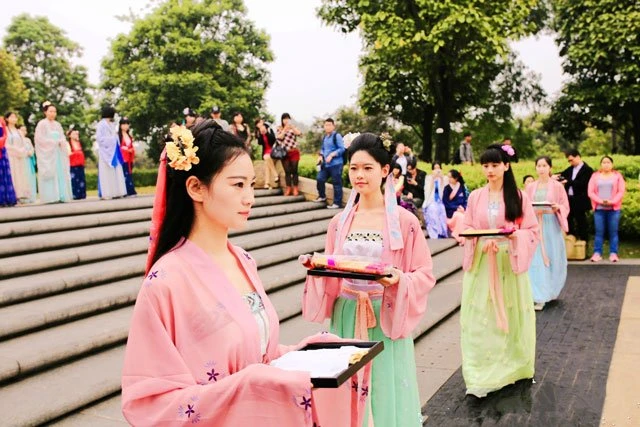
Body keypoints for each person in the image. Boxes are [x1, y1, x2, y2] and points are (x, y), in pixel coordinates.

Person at [123, 120, 367, 426]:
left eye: (252, 184)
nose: (249, 197)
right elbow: (150, 402)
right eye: (238, 185)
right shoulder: (167, 280)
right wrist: (247, 383)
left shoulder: (243, 259)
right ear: (196, 187)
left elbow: (255, 354)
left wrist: (306, 353)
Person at [302, 132, 435, 426]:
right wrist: (318, 267)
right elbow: (334, 266)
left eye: (367, 168)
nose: (359, 175)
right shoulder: (339, 222)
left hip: (384, 314)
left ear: (385, 171)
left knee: (384, 387)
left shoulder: (405, 221)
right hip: (348, 313)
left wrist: (398, 280)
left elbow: (424, 274)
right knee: (348, 390)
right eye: (353, 168)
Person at [460, 143, 539, 398]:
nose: (490, 170)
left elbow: (531, 230)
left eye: (495, 165)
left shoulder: (519, 197)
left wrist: (515, 237)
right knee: (480, 316)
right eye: (486, 165)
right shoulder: (475, 197)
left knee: (510, 312)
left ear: (506, 166)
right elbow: (469, 226)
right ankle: (480, 368)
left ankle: (513, 364)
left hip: (508, 259)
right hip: (483, 261)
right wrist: (478, 240)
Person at [525, 156, 569, 310]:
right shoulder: (531, 187)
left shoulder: (557, 186)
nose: (541, 169)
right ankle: (539, 295)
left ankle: (551, 290)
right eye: (538, 165)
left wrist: (558, 207)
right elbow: (525, 206)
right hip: (536, 225)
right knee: (536, 260)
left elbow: (565, 205)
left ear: (550, 167)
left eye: (544, 165)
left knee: (553, 256)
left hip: (551, 225)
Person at [587, 156, 626, 262]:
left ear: (612, 164)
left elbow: (621, 191)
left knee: (613, 232)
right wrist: (600, 201)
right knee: (599, 231)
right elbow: (590, 192)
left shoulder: (617, 176)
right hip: (599, 209)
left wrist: (612, 201)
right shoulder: (595, 176)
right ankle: (597, 253)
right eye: (604, 162)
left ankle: (613, 253)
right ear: (601, 164)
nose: (606, 164)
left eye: (608, 162)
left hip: (613, 209)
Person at [34, 101, 72, 203]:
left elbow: (62, 137)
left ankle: (61, 195)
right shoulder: (41, 124)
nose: (53, 113)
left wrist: (61, 142)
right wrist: (53, 142)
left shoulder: (57, 124)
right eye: (50, 111)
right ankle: (50, 197)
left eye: (54, 111)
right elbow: (39, 139)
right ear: (45, 112)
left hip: (58, 153)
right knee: (50, 173)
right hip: (49, 154)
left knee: (60, 173)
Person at [558, 148, 593, 244]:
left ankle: (584, 243)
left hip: (580, 200)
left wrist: (569, 182)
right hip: (570, 199)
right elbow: (562, 174)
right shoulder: (570, 169)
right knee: (569, 221)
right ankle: (571, 242)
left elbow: (583, 183)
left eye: (571, 160)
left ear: (578, 157)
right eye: (569, 161)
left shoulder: (587, 170)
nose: (570, 162)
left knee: (581, 222)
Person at [96, 106, 127, 199]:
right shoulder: (101, 124)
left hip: (114, 151)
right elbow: (100, 139)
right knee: (106, 172)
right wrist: (113, 139)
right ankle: (107, 193)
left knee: (116, 171)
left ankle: (117, 192)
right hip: (106, 152)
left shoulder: (112, 124)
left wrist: (114, 139)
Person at [5, 112, 36, 204]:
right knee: (13, 175)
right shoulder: (6, 130)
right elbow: (6, 144)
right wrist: (15, 150)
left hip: (20, 157)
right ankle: (12, 196)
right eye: (11, 117)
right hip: (10, 156)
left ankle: (20, 196)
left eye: (15, 117)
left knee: (21, 176)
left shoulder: (18, 132)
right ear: (7, 119)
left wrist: (21, 151)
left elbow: (24, 144)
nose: (14, 119)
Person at [315, 118, 345, 209]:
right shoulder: (325, 137)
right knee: (320, 178)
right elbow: (323, 149)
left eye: (329, 125)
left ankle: (337, 203)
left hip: (336, 164)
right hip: (326, 164)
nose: (327, 127)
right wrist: (321, 155)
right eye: (326, 125)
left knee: (336, 183)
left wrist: (332, 155)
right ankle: (322, 196)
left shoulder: (337, 136)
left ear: (333, 126)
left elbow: (342, 148)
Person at [277, 113, 302, 196]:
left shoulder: (293, 127)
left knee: (294, 170)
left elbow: (299, 134)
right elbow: (279, 137)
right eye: (284, 119)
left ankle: (295, 188)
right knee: (287, 171)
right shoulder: (280, 128)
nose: (286, 120)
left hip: (294, 151)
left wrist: (292, 128)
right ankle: (288, 188)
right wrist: (284, 129)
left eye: (287, 118)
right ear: (282, 120)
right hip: (284, 153)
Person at [422, 162, 449, 239]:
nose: (437, 170)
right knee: (433, 209)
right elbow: (427, 191)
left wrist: (441, 179)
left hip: (440, 201)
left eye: (438, 168)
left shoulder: (445, 178)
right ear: (432, 170)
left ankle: (442, 232)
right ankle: (434, 233)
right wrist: (433, 179)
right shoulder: (428, 178)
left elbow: (444, 191)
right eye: (435, 168)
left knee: (442, 210)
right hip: (431, 201)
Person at [442, 169, 467, 244]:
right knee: (460, 217)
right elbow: (445, 203)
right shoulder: (447, 188)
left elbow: (465, 200)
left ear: (455, 178)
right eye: (448, 177)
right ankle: (460, 236)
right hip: (451, 211)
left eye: (450, 177)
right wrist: (456, 208)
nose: (448, 179)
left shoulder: (461, 187)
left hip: (461, 209)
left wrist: (464, 208)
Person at [254, 118, 279, 189]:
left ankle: (268, 182)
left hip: (273, 150)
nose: (260, 124)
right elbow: (260, 143)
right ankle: (272, 178)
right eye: (258, 123)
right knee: (267, 161)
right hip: (266, 151)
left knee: (266, 159)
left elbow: (273, 139)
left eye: (260, 122)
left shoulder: (269, 129)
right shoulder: (258, 132)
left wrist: (266, 133)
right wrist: (261, 134)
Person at [402, 159, 427, 225]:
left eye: (411, 169)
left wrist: (416, 184)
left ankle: (417, 221)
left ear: (415, 167)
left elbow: (424, 189)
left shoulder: (422, 174)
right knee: (402, 200)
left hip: (419, 197)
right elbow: (404, 189)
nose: (409, 171)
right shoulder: (406, 175)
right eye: (408, 169)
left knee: (411, 203)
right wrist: (408, 193)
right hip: (409, 196)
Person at [0, 115, 18, 207]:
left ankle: (6, 198)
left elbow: (5, 134)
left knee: (4, 174)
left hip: (2, 150)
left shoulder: (1, 120)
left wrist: (2, 141)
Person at [119, 117, 137, 196]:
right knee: (124, 175)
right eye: (124, 124)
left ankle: (130, 190)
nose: (126, 126)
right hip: (123, 158)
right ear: (120, 125)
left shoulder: (129, 136)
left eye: (127, 124)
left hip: (129, 158)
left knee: (129, 174)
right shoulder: (118, 136)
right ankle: (126, 191)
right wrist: (126, 150)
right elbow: (119, 147)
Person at [67, 126, 87, 200]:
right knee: (74, 179)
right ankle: (75, 194)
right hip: (73, 164)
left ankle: (82, 194)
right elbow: (68, 153)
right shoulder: (68, 144)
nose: (75, 135)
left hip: (80, 164)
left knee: (81, 178)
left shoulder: (78, 143)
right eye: (73, 134)